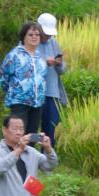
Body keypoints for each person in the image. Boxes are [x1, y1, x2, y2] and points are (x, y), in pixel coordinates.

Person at [0, 21, 46, 134]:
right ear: (23, 37)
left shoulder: (40, 57)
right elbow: (3, 78)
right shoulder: (14, 55)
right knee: (18, 135)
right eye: (30, 34)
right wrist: (14, 91)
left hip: (37, 102)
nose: (34, 37)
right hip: (19, 102)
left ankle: (30, 152)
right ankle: (12, 152)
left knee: (32, 136)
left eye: (37, 35)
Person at [36, 13, 67, 147]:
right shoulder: (30, 40)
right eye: (45, 33)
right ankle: (28, 156)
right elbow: (25, 64)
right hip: (35, 92)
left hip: (53, 92)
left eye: (49, 33)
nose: (47, 36)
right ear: (38, 28)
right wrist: (44, 62)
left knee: (51, 127)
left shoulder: (54, 43)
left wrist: (59, 64)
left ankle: (47, 158)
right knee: (33, 126)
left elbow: (63, 69)